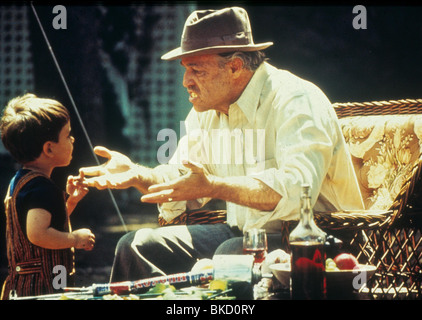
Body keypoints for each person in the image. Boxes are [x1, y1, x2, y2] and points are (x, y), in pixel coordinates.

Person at [80, 7, 364, 283]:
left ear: (235, 67)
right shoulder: (210, 109)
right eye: (185, 70)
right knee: (136, 245)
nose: (185, 81)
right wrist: (139, 175)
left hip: (319, 242)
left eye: (196, 70)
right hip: (245, 237)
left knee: (229, 254)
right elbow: (186, 177)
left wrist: (214, 186)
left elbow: (296, 190)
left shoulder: (296, 99)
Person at [0, 93, 95, 299]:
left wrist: (71, 201)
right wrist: (75, 239)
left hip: (29, 282)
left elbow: (48, 224)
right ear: (49, 148)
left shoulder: (23, 181)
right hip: (41, 287)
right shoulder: (42, 188)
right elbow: (38, 234)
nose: (73, 139)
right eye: (67, 135)